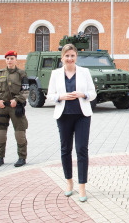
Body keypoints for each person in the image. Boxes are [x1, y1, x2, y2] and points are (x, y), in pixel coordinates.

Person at [47, 44, 96, 202]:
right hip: (64, 115)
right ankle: (69, 182)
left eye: (72, 56)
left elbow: (93, 93)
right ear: (62, 57)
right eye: (67, 56)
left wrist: (83, 94)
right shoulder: (55, 74)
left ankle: (82, 186)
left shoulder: (84, 72)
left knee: (82, 150)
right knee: (65, 149)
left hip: (82, 115)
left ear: (76, 57)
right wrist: (60, 97)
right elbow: (49, 95)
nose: (69, 59)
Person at [0, 50, 29, 168]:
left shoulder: (22, 74)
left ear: (16, 60)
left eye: (12, 58)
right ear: (5, 60)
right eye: (8, 59)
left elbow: (25, 91)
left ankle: (22, 157)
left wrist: (16, 100)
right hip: (1, 107)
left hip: (15, 107)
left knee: (20, 133)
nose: (10, 61)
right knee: (0, 133)